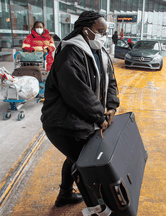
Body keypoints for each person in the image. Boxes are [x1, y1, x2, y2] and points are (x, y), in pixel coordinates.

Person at [41, 11, 120, 207]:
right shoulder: (71, 52)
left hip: (82, 119)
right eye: (100, 31)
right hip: (63, 122)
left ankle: (65, 196)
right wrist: (98, 116)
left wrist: (111, 106)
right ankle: (97, 205)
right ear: (86, 31)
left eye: (105, 32)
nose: (103, 36)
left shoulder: (100, 52)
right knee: (86, 163)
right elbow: (77, 93)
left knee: (76, 158)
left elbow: (111, 81)